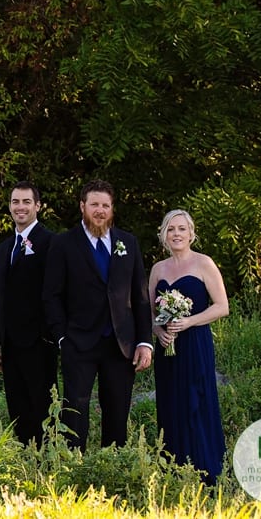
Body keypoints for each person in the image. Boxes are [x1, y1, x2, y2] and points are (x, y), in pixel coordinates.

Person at [42, 179, 153, 450]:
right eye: (94, 205)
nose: (100, 210)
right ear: (83, 207)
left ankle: (112, 465)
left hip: (120, 344)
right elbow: (51, 295)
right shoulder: (63, 243)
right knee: (75, 410)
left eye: (105, 205)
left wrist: (144, 341)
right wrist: (61, 338)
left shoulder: (128, 242)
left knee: (117, 409)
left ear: (112, 209)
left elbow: (140, 296)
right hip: (78, 341)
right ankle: (73, 466)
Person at [151, 209, 229, 485]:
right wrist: (159, 331)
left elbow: (222, 307)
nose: (176, 234)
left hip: (195, 343)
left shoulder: (204, 263)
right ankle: (173, 467)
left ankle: (205, 468)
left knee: (197, 400)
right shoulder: (158, 269)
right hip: (167, 347)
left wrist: (188, 322)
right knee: (171, 402)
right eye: (171, 229)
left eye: (181, 229)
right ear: (164, 234)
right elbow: (150, 313)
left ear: (191, 233)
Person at [0, 181, 57, 445]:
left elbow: (54, 293)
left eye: (26, 201)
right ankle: (25, 457)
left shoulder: (50, 242)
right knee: (17, 405)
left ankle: (48, 459)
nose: (20, 207)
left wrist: (49, 335)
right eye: (15, 202)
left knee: (42, 405)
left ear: (38, 206)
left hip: (39, 341)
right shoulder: (5, 247)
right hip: (10, 342)